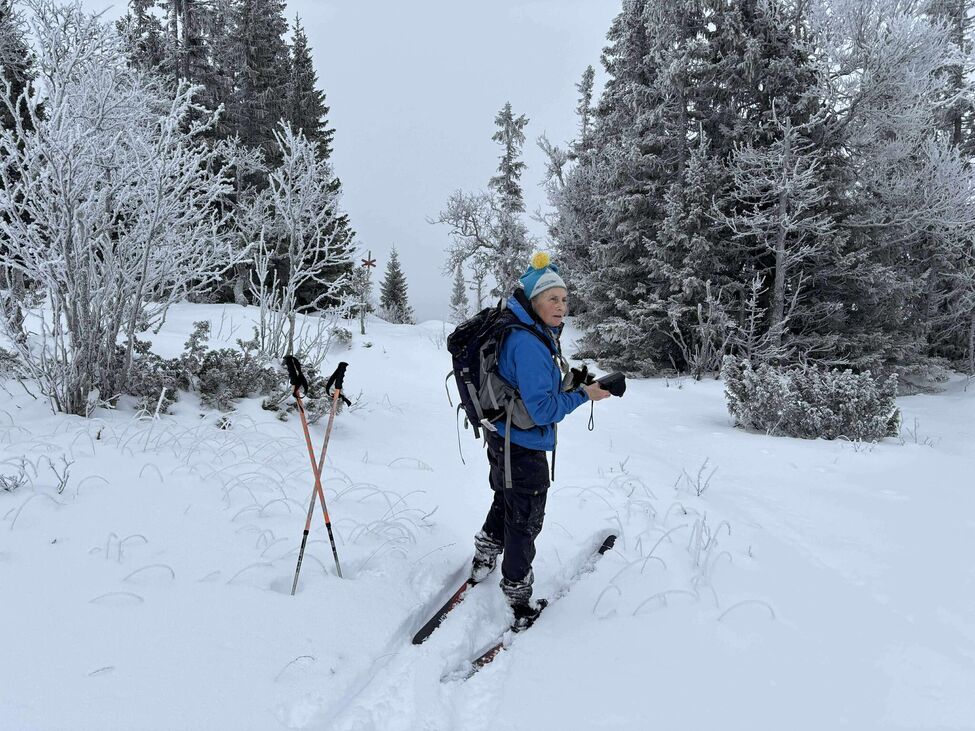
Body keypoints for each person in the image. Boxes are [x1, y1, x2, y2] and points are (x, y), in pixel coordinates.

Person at [470, 252, 610, 630]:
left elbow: (530, 392)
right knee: (525, 519)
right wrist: (585, 396)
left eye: (564, 299)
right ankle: (517, 596)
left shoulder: (526, 331)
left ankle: (484, 555)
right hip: (524, 446)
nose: (562, 306)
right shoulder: (529, 342)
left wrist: (574, 382)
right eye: (553, 298)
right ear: (533, 301)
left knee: (505, 497)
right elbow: (544, 410)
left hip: (502, 436)